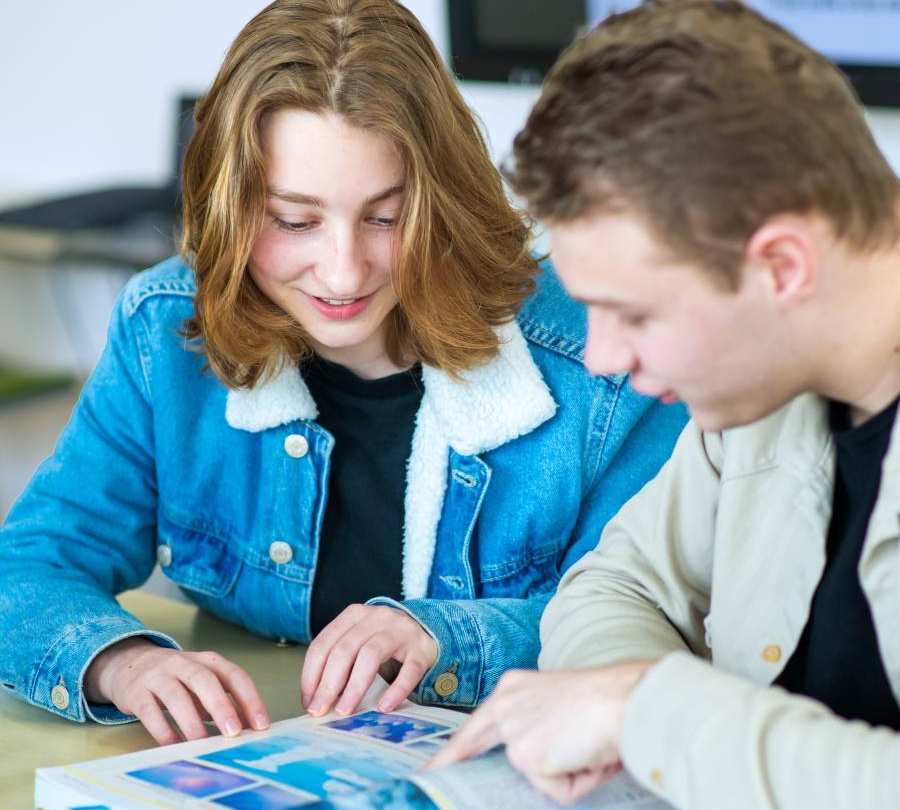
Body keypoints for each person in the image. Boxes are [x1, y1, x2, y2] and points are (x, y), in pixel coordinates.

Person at [0, 0, 686, 747]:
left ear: (444, 201)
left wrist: (440, 637)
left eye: (387, 217)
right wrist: (121, 664)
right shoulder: (163, 327)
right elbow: (32, 561)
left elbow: (651, 614)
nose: (342, 270)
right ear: (228, 210)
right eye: (293, 221)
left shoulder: (602, 351)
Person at [432, 1, 900, 810]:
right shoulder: (756, 382)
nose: (603, 359)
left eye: (635, 314)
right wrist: (621, 705)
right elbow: (615, 586)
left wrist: (650, 712)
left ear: (780, 267)